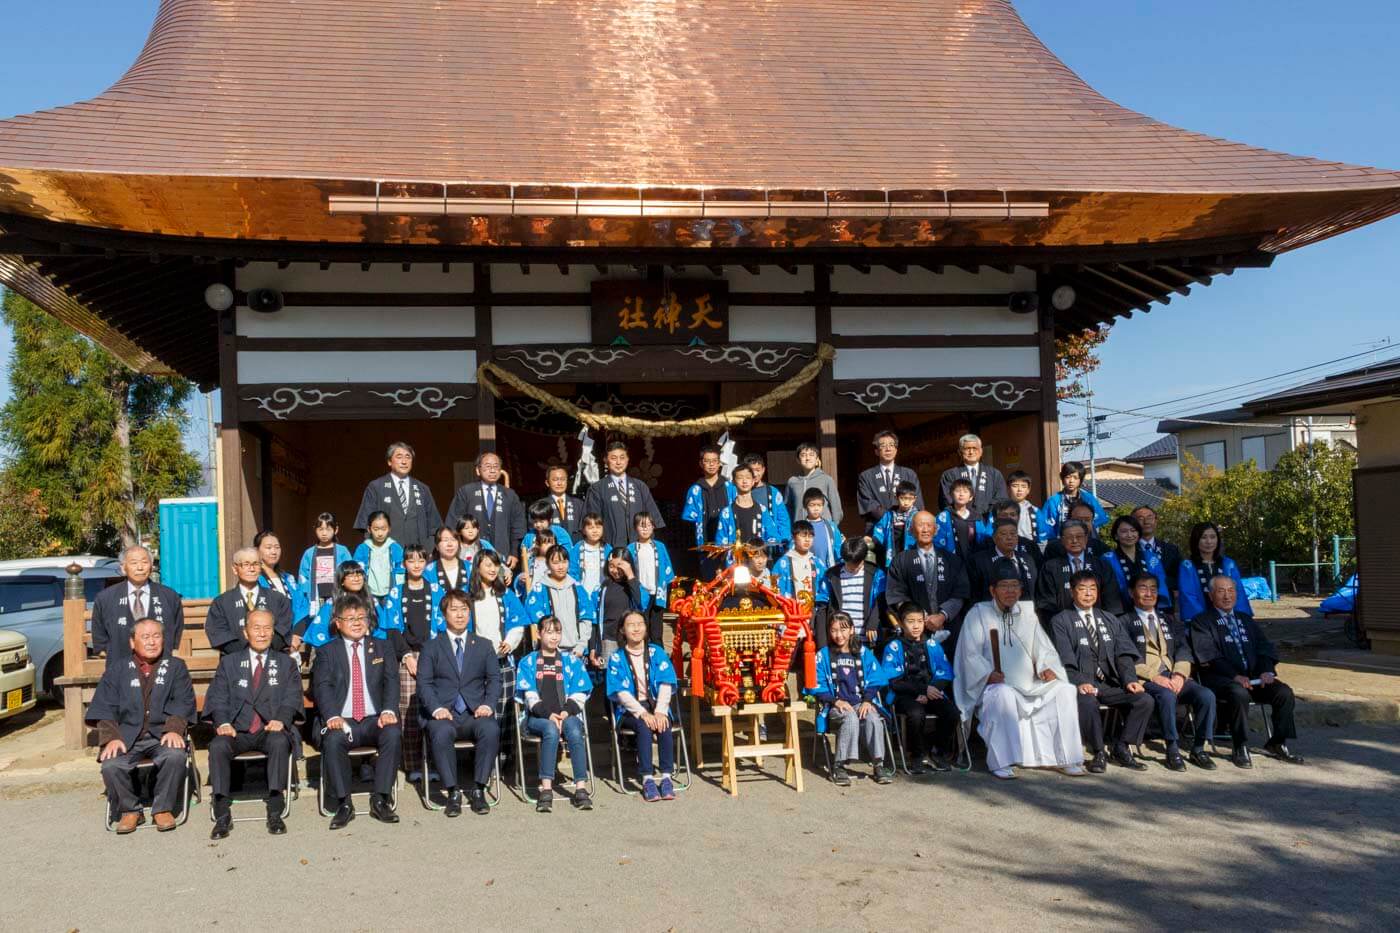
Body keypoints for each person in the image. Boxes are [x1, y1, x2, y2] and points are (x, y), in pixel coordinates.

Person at [954, 562, 1086, 779]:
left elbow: (1043, 648)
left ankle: (1065, 758)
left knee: (1065, 690)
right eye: (1004, 586)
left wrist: (1046, 667)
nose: (1010, 591)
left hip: (1029, 683)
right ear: (992, 590)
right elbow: (969, 655)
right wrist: (987, 674)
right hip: (997, 686)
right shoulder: (978, 614)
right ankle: (1002, 761)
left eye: (1014, 586)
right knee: (1002, 694)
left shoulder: (1028, 613)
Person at [88, 618, 196, 832]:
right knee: (111, 765)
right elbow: (105, 706)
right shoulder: (117, 669)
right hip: (127, 735)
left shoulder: (176, 667)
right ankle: (131, 811)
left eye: (157, 636)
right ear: (131, 642)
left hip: (161, 733)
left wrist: (174, 728)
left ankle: (162, 809)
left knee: (175, 756)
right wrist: (111, 737)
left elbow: (183, 701)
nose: (152, 642)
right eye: (145, 637)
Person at [1189, 575, 1304, 768]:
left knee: (1284, 692)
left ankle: (1278, 741)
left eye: (1231, 591)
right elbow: (1209, 655)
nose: (1227, 596)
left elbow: (1264, 648)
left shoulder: (1245, 619)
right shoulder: (1202, 622)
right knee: (1239, 693)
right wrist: (1235, 676)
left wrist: (1267, 671)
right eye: (1221, 591)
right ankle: (1240, 744)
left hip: (1255, 678)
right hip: (1221, 680)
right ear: (1210, 595)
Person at [206, 610, 302, 838]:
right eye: (256, 628)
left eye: (267, 628)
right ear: (246, 632)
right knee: (218, 745)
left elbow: (292, 697)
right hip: (237, 729)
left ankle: (276, 806)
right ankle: (221, 809)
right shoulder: (229, 663)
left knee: (280, 741)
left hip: (270, 729)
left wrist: (282, 719)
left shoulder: (285, 663)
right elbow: (218, 697)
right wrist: (223, 722)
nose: (262, 633)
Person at [310, 593, 402, 829]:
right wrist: (332, 715)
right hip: (342, 720)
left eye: (361, 617)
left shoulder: (382, 647)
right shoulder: (326, 652)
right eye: (350, 618)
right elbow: (322, 686)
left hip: (374, 718)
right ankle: (343, 803)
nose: (357, 622)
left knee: (392, 733)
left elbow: (392, 681)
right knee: (333, 740)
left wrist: (389, 710)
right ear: (337, 623)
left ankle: (381, 799)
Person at [1050, 572, 1154, 773]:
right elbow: (1063, 658)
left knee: (1144, 699)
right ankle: (1098, 751)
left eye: (1093, 589)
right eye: (1082, 589)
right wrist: (1079, 681)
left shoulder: (1109, 619)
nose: (1088, 594)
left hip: (1109, 682)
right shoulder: (1061, 620)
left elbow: (1123, 653)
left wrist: (1130, 679)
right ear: (1072, 592)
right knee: (1087, 702)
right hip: (1081, 682)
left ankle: (1122, 746)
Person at [1118, 573, 1216, 771]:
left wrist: (1179, 674)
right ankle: (1172, 747)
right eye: (1143, 588)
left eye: (1153, 588)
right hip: (1145, 677)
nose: (1149, 593)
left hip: (1174, 676)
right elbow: (1126, 655)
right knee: (1166, 695)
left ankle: (1199, 748)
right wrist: (1154, 677)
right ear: (1131, 592)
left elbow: (1183, 649)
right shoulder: (1123, 621)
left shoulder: (1169, 619)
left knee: (1206, 695)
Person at [418, 589, 502, 817]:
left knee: (491, 728)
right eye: (453, 610)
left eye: (464, 609)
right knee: (441, 732)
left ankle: (479, 789)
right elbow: (424, 683)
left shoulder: (483, 645)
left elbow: (494, 679)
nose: (459, 615)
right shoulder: (431, 647)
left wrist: (488, 704)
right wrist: (435, 709)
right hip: (443, 712)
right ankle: (452, 791)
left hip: (475, 712)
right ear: (444, 614)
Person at [378, 545, 445, 781]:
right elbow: (392, 629)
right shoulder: (396, 592)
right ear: (403, 564)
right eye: (410, 560)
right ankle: (413, 764)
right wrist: (406, 655)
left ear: (426, 562)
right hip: (407, 656)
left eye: (420, 560)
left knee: (435, 707)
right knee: (408, 709)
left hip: (433, 654)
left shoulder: (436, 589)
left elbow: (442, 625)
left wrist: (433, 654)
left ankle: (437, 764)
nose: (416, 565)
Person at [515, 615, 595, 812]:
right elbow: (530, 696)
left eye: (557, 632)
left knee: (575, 730)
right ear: (539, 633)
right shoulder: (528, 661)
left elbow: (579, 693)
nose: (554, 637)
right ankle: (546, 788)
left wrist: (566, 712)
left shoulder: (571, 661)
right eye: (549, 632)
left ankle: (581, 788)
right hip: (537, 718)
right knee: (550, 729)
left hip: (567, 714)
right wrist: (549, 715)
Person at [808, 612, 893, 785]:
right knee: (850, 717)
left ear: (852, 630)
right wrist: (834, 701)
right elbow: (815, 685)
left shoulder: (863, 652)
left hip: (860, 702)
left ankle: (878, 764)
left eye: (843, 630)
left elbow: (876, 678)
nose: (839, 635)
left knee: (873, 718)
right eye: (833, 630)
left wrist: (868, 701)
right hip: (834, 706)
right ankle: (840, 765)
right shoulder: (823, 654)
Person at [606, 609, 680, 802]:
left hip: (656, 704)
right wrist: (642, 713)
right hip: (630, 709)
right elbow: (621, 693)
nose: (636, 628)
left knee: (663, 724)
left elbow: (666, 683)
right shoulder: (616, 657)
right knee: (644, 725)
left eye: (640, 624)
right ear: (622, 630)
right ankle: (647, 778)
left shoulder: (657, 652)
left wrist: (660, 711)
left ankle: (666, 777)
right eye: (631, 625)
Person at [882, 603, 958, 773]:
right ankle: (916, 755)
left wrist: (931, 690)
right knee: (916, 714)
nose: (916, 626)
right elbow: (892, 679)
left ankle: (938, 750)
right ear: (901, 623)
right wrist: (921, 691)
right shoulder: (894, 647)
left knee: (952, 713)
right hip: (904, 694)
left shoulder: (932, 644)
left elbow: (945, 672)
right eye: (910, 621)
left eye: (919, 621)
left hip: (931, 691)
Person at [90, 545, 184, 670]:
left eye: (145, 562)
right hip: (120, 666)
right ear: (123, 568)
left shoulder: (169, 596)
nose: (140, 568)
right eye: (134, 563)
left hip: (160, 665)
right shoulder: (106, 598)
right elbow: (99, 634)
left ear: (151, 566)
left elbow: (177, 629)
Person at [885, 511, 970, 648]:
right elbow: (896, 595)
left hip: (948, 627)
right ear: (911, 531)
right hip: (915, 631)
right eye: (920, 525)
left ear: (936, 530)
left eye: (929, 525)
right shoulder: (901, 560)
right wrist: (921, 617)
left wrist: (942, 615)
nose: (925, 529)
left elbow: (961, 593)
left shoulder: (952, 560)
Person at [353, 441, 443, 550]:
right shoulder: (376, 487)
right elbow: (365, 523)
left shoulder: (422, 488)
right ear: (389, 461)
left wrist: (429, 548)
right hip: (385, 551)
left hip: (417, 554)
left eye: (408, 457)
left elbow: (434, 524)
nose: (404, 461)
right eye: (399, 457)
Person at [445, 451, 527, 568]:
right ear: (478, 470)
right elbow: (453, 523)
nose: (492, 470)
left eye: (496, 467)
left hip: (502, 555)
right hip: (470, 555)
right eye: (488, 466)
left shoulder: (510, 495)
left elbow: (518, 527)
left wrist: (514, 553)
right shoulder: (466, 492)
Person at [206, 547, 294, 654]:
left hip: (271, 658)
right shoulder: (221, 602)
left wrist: (262, 650)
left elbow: (283, 629)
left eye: (256, 564)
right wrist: (247, 654)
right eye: (246, 564)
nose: (252, 569)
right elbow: (218, 632)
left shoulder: (278, 599)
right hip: (235, 662)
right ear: (235, 569)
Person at [1035, 521, 1122, 626]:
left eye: (1079, 536)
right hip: (1064, 625)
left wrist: (1109, 624)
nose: (1075, 540)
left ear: (1086, 539)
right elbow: (1046, 603)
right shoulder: (1051, 567)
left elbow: (1112, 600)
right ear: (1062, 540)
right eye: (1069, 537)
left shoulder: (1101, 565)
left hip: (1098, 623)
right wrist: (1057, 625)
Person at [583, 441, 665, 548]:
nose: (618, 462)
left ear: (628, 459)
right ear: (606, 460)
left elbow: (654, 520)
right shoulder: (597, 489)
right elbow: (591, 523)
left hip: (640, 547)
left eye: (622, 457)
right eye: (613, 458)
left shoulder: (640, 486)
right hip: (610, 548)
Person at [526, 545, 596, 660]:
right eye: (556, 563)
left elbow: (586, 619)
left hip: (576, 652)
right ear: (547, 564)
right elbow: (535, 622)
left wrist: (581, 645)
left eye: (564, 562)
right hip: (549, 652)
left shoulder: (578, 588)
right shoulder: (539, 590)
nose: (560, 567)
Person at [816, 537, 886, 649]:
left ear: (864, 558)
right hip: (839, 639)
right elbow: (821, 607)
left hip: (866, 638)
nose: (853, 568)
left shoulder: (876, 574)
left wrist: (873, 623)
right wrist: (822, 644)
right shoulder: (831, 575)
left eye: (857, 564)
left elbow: (880, 601)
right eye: (849, 564)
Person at [1178, 522, 1252, 622]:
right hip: (1201, 622)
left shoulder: (1229, 564)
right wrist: (1204, 621)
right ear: (1196, 540)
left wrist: (1242, 618)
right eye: (1204, 537)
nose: (1209, 541)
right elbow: (1188, 596)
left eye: (1213, 537)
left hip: (1230, 619)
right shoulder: (1187, 566)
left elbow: (1238, 592)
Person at [1099, 514, 1171, 615]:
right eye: (1124, 531)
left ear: (1139, 534)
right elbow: (1108, 590)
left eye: (1133, 531)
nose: (1129, 535)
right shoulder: (1107, 559)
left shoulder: (1151, 556)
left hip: (1150, 610)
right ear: (1116, 535)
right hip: (1120, 612)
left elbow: (1160, 583)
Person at [682, 444, 735, 578]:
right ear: (701, 463)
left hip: (729, 545)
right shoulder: (695, 489)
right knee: (709, 582)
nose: (711, 465)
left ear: (720, 463)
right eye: (707, 461)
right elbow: (689, 522)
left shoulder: (729, 487)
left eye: (714, 461)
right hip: (705, 545)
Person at [465, 550, 530, 659]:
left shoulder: (506, 594)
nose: (493, 569)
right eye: (488, 565)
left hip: (500, 656)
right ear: (477, 567)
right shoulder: (465, 595)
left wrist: (510, 642)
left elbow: (518, 623)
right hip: (473, 658)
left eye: (496, 565)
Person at [857, 430, 924, 532]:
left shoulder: (909, 474)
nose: (888, 449)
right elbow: (868, 503)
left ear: (896, 450)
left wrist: (901, 519)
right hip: (877, 529)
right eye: (883, 446)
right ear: (876, 451)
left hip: (905, 528)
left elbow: (917, 502)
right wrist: (891, 518)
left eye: (891, 445)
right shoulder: (866, 476)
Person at [298, 561, 376, 648]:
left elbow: (379, 631)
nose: (356, 579)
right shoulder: (332, 603)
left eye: (359, 574)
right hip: (339, 652)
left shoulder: (371, 601)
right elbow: (319, 633)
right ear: (342, 581)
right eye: (351, 575)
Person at [716, 463, 785, 555]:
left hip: (757, 560)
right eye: (740, 478)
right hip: (736, 561)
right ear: (733, 482)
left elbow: (772, 536)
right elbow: (721, 542)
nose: (744, 481)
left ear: (753, 481)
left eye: (748, 478)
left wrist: (761, 548)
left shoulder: (762, 510)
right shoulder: (727, 512)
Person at [627, 513, 675, 645]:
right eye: (642, 525)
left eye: (649, 525)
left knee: (657, 631)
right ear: (635, 527)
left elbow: (667, 568)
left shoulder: (659, 546)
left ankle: (659, 658)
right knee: (642, 628)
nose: (645, 529)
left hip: (657, 593)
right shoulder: (631, 548)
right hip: (640, 593)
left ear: (653, 527)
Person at [297, 512, 352, 620]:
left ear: (336, 530)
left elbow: (350, 571)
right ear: (315, 530)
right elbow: (303, 576)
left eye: (328, 529)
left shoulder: (342, 551)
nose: (324, 533)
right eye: (320, 529)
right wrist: (306, 594)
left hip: (338, 596)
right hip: (317, 598)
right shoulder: (309, 553)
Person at [594, 548, 643, 664]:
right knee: (610, 674)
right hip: (608, 638)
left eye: (620, 567)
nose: (615, 571)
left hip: (629, 637)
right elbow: (595, 616)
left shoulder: (634, 585)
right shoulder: (604, 586)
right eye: (611, 566)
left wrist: (630, 575)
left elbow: (639, 603)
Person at [1038, 461, 1109, 542]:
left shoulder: (1088, 498)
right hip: (1061, 543)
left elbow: (1098, 520)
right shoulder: (1053, 501)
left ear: (1081, 479)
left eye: (1075, 477)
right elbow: (1045, 526)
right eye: (1068, 477)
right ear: (1062, 478)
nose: (1071, 481)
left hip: (1087, 542)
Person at [971, 519, 1039, 602]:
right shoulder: (979, 561)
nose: (1009, 538)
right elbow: (975, 595)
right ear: (994, 538)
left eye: (1013, 534)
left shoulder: (1027, 559)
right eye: (1003, 534)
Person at [939, 433, 1009, 514]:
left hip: (987, 522)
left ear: (981, 451)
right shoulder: (949, 475)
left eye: (974, 448)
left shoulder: (994, 474)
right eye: (967, 449)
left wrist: (984, 514)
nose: (971, 452)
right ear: (959, 452)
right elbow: (946, 500)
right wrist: (964, 515)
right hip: (960, 521)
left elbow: (1001, 498)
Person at [353, 510, 405, 609]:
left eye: (383, 529)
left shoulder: (395, 548)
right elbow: (356, 571)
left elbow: (401, 570)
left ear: (389, 528)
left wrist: (398, 590)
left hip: (391, 593)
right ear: (369, 529)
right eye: (376, 529)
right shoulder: (363, 548)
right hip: (368, 594)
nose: (380, 533)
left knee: (389, 622)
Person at [784, 442, 843, 526]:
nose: (807, 458)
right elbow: (787, 508)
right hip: (800, 531)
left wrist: (832, 529)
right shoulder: (792, 482)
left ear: (817, 459)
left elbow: (836, 509)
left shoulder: (826, 480)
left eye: (811, 454)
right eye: (803, 455)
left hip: (822, 528)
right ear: (798, 460)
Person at [741, 452, 792, 548]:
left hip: (769, 543)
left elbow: (782, 519)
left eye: (758, 470)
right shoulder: (738, 491)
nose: (755, 474)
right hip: (746, 542)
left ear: (763, 470)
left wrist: (784, 541)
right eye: (751, 470)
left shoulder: (772, 492)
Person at [253, 530, 306, 622]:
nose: (274, 552)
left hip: (294, 632)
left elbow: (302, 604)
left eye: (277, 547)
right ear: (257, 550)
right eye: (268, 547)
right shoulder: (254, 579)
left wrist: (298, 631)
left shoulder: (289, 578)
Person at [775, 520, 828, 605]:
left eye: (810, 536)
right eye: (803, 536)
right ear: (793, 537)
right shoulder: (782, 563)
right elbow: (777, 591)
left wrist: (816, 600)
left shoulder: (817, 562)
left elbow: (825, 589)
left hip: (813, 612)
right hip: (791, 612)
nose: (807, 540)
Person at [1132, 505, 1182, 594]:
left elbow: (1178, 577)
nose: (1146, 521)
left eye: (1150, 517)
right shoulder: (1129, 550)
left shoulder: (1171, 550)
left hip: (1167, 602)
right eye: (1140, 518)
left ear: (1156, 522)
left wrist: (1160, 584)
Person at [1043, 500, 1111, 562]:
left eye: (1087, 520)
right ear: (1069, 520)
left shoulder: (1101, 548)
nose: (1083, 523)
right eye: (1078, 520)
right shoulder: (1054, 548)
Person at [871, 480, 919, 567]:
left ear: (915, 499)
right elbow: (880, 529)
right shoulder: (889, 515)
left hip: (912, 554)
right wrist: (874, 539)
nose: (906, 502)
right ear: (896, 497)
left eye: (910, 498)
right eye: (903, 498)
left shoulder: (917, 516)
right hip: (893, 553)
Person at [936, 477, 982, 560]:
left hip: (975, 561)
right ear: (951, 494)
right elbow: (938, 542)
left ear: (971, 497)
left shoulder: (977, 517)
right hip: (951, 561)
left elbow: (983, 539)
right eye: (957, 491)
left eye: (965, 491)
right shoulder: (943, 517)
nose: (961, 494)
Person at [801, 488, 845, 568]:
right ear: (805, 506)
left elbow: (838, 547)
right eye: (812, 505)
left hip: (829, 570)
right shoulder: (801, 528)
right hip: (808, 571)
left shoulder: (831, 527)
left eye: (819, 505)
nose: (816, 508)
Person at [570, 513, 609, 597]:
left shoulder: (607, 548)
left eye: (598, 527)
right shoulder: (577, 548)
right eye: (590, 528)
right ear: (583, 530)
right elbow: (572, 570)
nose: (595, 531)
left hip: (602, 592)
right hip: (582, 591)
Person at [543, 464, 585, 539]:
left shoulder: (579, 504)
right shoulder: (541, 505)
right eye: (555, 480)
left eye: (563, 479)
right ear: (547, 483)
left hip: (575, 547)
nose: (559, 483)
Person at [427, 525, 469, 594]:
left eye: (453, 540)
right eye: (445, 540)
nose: (450, 544)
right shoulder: (428, 571)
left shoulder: (470, 567)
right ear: (437, 546)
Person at [518, 527, 558, 597]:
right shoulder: (532, 560)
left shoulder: (556, 562)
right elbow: (524, 573)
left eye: (551, 543)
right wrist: (521, 579)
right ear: (538, 545)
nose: (549, 546)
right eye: (545, 543)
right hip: (533, 594)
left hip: (549, 595)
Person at [1005, 471, 1041, 543]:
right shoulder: (1000, 510)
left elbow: (1043, 537)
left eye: (1023, 486)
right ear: (1008, 488)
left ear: (1028, 490)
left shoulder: (1035, 511)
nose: (1019, 490)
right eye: (1015, 486)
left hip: (1029, 550)